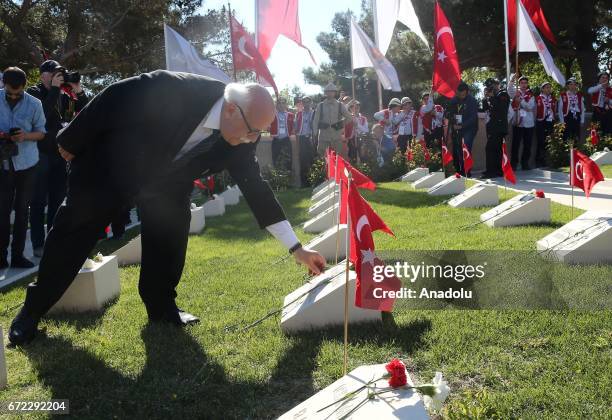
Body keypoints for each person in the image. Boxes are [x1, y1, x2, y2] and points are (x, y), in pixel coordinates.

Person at [8, 71, 326, 345]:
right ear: (231, 109)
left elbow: (256, 188)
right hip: (111, 167)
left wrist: (296, 248)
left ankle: (162, 309)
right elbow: (116, 95)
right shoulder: (177, 88)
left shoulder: (243, 137)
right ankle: (32, 311)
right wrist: (71, 139)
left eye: (259, 132)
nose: (252, 139)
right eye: (251, 130)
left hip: (167, 183)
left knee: (170, 237)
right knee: (73, 234)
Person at [27, 60, 90, 257]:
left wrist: (77, 89)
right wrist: (54, 89)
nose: (58, 76)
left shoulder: (65, 94)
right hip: (40, 154)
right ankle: (38, 244)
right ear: (42, 75)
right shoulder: (33, 93)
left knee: (58, 200)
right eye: (53, 73)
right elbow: (41, 117)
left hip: (60, 154)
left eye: (60, 73)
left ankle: (54, 241)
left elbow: (87, 111)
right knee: (38, 202)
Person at [0, 67, 46, 269]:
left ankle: (18, 256)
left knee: (22, 211)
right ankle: (1, 257)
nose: (13, 96)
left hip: (28, 163)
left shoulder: (34, 103)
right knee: (2, 211)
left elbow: (42, 133)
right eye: (10, 92)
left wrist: (24, 136)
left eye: (17, 93)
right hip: (3, 163)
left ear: (24, 86)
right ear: (4, 84)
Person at [446, 82, 479, 176]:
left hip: (470, 128)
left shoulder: (472, 101)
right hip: (457, 127)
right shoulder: (454, 100)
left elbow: (473, 118)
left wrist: (462, 126)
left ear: (467, 92)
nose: (461, 96)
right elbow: (449, 111)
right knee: (458, 148)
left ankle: (467, 171)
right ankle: (460, 169)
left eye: (463, 94)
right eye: (459, 94)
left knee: (466, 146)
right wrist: (451, 120)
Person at [313, 82, 352, 159]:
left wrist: (340, 125)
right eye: (328, 91)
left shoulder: (340, 105)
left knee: (338, 160)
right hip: (323, 137)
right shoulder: (320, 105)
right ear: (325, 93)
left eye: (332, 91)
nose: (330, 93)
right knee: (323, 159)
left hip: (336, 138)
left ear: (335, 93)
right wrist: (315, 134)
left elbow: (349, 118)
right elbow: (315, 121)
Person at [481, 78, 510, 178]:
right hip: (491, 127)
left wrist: (492, 97)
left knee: (491, 148)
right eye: (488, 86)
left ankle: (492, 171)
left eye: (492, 86)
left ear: (497, 85)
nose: (490, 88)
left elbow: (502, 109)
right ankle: (497, 171)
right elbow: (485, 110)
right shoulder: (490, 97)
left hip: (499, 127)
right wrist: (486, 98)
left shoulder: (503, 95)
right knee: (495, 149)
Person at [508, 75, 536, 170]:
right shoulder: (516, 92)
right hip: (518, 122)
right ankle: (514, 164)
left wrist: (521, 101)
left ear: (527, 84)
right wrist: (512, 80)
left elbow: (529, 107)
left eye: (525, 83)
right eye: (522, 83)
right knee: (515, 144)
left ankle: (525, 163)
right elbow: (509, 90)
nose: (524, 85)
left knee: (527, 144)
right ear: (519, 84)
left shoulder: (531, 95)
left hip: (529, 123)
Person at [534, 81, 557, 167]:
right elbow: (535, 111)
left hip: (550, 121)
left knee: (549, 141)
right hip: (540, 121)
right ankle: (538, 160)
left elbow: (555, 110)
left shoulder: (553, 99)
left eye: (549, 87)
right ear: (542, 89)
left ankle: (547, 160)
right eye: (546, 87)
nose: (548, 89)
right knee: (540, 141)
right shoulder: (538, 99)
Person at [269, 98, 294, 172]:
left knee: (288, 159)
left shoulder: (291, 115)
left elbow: (294, 127)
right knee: (275, 159)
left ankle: (289, 177)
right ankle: (278, 179)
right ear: (276, 105)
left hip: (286, 140)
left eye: (283, 103)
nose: (281, 105)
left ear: (286, 105)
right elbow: (266, 125)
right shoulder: (272, 114)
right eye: (279, 103)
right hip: (276, 140)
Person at [295, 96, 315, 186]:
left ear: (311, 103)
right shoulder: (299, 114)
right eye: (304, 102)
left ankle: (315, 181)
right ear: (302, 103)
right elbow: (296, 129)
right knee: (303, 161)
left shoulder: (315, 113)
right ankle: (304, 183)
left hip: (312, 138)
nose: (306, 104)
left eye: (308, 102)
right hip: (302, 138)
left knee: (312, 160)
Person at [558, 78, 585, 143]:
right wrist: (562, 121)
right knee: (567, 135)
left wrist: (582, 120)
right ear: (567, 86)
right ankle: (567, 151)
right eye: (570, 84)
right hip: (567, 116)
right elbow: (560, 109)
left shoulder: (579, 95)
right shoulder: (563, 95)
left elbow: (582, 108)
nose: (572, 86)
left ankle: (575, 151)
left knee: (576, 135)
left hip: (576, 116)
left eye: (574, 84)